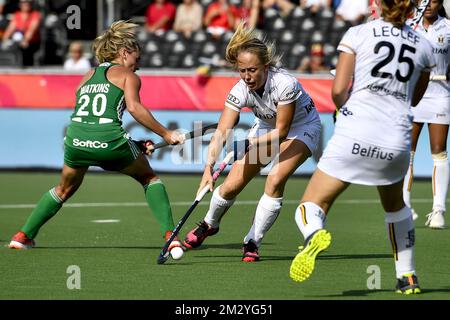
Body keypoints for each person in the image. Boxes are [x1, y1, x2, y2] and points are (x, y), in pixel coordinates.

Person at [288, 0, 435, 294]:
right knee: (396, 208)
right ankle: (407, 277)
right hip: (395, 140)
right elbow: (415, 99)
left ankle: (314, 235)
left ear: (378, 4)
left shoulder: (357, 33)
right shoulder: (424, 45)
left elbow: (339, 90)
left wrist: (346, 108)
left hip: (355, 133)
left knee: (311, 205)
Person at [8, 21, 185, 260]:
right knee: (149, 178)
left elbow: (94, 119)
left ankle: (22, 236)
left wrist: (135, 145)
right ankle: (170, 236)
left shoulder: (87, 76)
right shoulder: (128, 76)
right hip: (109, 142)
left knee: (63, 189)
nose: (139, 65)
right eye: (137, 58)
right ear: (124, 53)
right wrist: (165, 134)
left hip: (75, 140)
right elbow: (134, 108)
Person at [183, 22, 322, 262]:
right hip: (266, 128)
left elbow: (282, 132)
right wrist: (208, 167)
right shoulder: (240, 90)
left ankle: (252, 241)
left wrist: (247, 143)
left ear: (265, 67)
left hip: (301, 129)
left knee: (275, 177)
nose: (247, 76)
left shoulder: (284, 84)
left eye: (253, 70)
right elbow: (223, 129)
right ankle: (209, 224)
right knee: (231, 185)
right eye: (242, 71)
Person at [402, 0, 450, 229]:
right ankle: (404, 206)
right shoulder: (408, 26)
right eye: (423, 0)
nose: (428, 4)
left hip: (440, 94)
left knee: (439, 151)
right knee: (406, 151)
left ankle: (438, 210)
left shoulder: (448, 28)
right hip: (412, 93)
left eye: (433, 0)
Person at [1, 0, 42, 66]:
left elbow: (31, 30)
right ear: (20, 4)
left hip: (32, 43)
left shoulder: (35, 14)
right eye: (23, 2)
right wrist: (4, 40)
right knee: (13, 45)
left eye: (28, 3)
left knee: (23, 49)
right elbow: (10, 29)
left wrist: (25, 40)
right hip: (18, 42)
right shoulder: (17, 15)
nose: (26, 4)